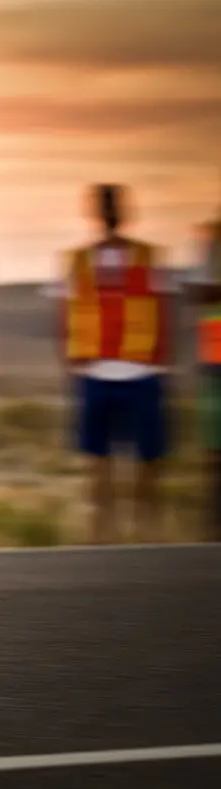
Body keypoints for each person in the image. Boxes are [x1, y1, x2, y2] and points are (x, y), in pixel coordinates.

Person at [55, 184, 173, 544]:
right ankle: (100, 546)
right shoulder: (77, 261)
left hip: (143, 372)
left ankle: (146, 543)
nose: (108, 213)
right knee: (97, 468)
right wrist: (70, 365)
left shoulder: (149, 257)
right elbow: (62, 315)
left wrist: (165, 365)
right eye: (102, 206)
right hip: (94, 374)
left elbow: (167, 311)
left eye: (113, 205)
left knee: (147, 468)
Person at [183, 208, 221, 542]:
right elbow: (200, 292)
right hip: (215, 364)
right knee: (215, 458)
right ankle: (212, 540)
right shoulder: (212, 241)